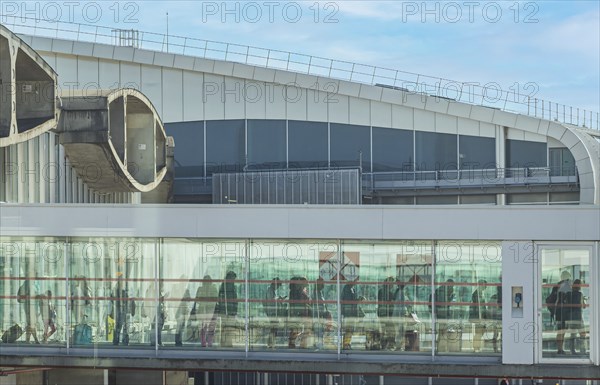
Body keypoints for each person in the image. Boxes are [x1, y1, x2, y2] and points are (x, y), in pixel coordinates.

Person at [214, 271, 238, 347]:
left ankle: (225, 343)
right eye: (233, 278)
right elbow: (221, 299)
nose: (234, 280)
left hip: (228, 311)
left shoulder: (228, 286)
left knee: (226, 328)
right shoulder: (225, 286)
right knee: (228, 328)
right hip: (227, 311)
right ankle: (226, 343)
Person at [110, 272, 135, 346]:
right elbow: (113, 299)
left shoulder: (125, 289)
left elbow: (130, 300)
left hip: (124, 310)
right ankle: (118, 341)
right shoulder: (117, 289)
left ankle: (123, 341)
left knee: (124, 327)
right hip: (120, 310)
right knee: (120, 326)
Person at [193, 275, 218, 347]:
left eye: (208, 281)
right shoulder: (200, 289)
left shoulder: (213, 289)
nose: (206, 283)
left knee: (210, 327)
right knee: (203, 327)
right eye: (205, 281)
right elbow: (196, 299)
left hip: (211, 310)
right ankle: (204, 342)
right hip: (203, 310)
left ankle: (209, 342)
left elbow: (216, 299)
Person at [431, 279, 455, 352]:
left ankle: (440, 347)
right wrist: (451, 297)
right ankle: (440, 348)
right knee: (442, 331)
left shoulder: (442, 290)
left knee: (442, 331)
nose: (452, 288)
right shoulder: (442, 292)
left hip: (441, 313)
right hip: (442, 314)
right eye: (452, 286)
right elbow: (444, 304)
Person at [288, 276, 312, 348]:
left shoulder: (299, 291)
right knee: (297, 329)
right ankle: (297, 343)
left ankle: (300, 343)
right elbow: (301, 302)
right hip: (299, 313)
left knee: (300, 329)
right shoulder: (297, 292)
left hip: (302, 313)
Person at [554, 270, 573, 354]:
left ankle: (560, 348)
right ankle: (560, 349)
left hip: (558, 311)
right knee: (562, 331)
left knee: (560, 330)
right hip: (564, 311)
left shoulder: (557, 285)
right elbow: (569, 299)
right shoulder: (566, 285)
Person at [567, 279, 587, 355]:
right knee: (582, 334)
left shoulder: (569, 294)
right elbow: (583, 306)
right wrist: (584, 300)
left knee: (573, 335)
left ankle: (572, 350)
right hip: (578, 317)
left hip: (571, 317)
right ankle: (583, 350)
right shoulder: (580, 294)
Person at [263, 277, 284, 348]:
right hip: (272, 313)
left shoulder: (271, 290)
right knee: (273, 328)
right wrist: (279, 298)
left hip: (273, 312)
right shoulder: (269, 290)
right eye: (278, 286)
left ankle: (271, 343)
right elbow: (271, 300)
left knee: (274, 328)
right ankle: (271, 344)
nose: (277, 288)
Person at [18, 279, 40, 344]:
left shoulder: (29, 286)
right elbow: (27, 297)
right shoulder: (27, 287)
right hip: (29, 307)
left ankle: (28, 340)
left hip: (31, 307)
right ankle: (35, 340)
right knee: (31, 324)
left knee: (30, 324)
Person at [469, 280, 488, 353]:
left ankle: (477, 347)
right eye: (485, 285)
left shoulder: (480, 293)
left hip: (480, 316)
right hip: (478, 316)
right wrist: (481, 317)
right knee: (478, 333)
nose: (486, 287)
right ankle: (476, 348)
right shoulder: (476, 294)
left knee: (480, 333)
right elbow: (478, 307)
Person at [377, 277, 395, 350]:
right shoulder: (389, 293)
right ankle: (389, 345)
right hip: (387, 314)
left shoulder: (381, 291)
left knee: (383, 330)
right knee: (390, 330)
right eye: (392, 284)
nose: (393, 285)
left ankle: (384, 345)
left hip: (381, 313)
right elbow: (390, 303)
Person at [173, 276, 191, 347]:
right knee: (179, 326)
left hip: (184, 310)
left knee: (182, 326)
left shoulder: (186, 290)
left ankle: (179, 341)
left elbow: (189, 299)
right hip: (178, 310)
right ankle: (178, 341)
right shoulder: (177, 289)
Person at [341, 282, 359, 350]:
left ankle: (347, 344)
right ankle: (346, 344)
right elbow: (349, 302)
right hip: (349, 313)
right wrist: (357, 300)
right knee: (349, 330)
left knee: (350, 330)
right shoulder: (347, 289)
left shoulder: (351, 288)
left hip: (350, 313)